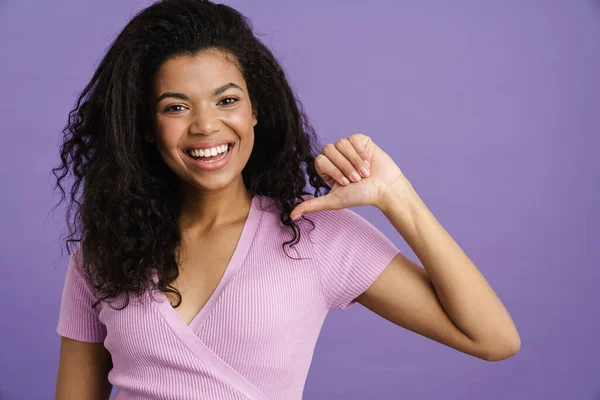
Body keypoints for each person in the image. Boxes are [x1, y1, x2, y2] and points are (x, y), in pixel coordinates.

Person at [52, 0, 521, 399]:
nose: (205, 125)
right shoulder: (103, 254)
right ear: (147, 129)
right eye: (175, 107)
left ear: (256, 110)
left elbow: (494, 338)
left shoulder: (315, 234)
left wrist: (396, 196)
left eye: (227, 100)